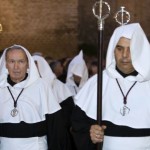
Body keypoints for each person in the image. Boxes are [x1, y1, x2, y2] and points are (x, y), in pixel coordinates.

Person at [71, 23, 150, 150]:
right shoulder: (99, 82)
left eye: (131, 49)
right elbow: (78, 124)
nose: (124, 55)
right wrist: (90, 131)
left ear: (140, 50)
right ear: (113, 50)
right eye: (120, 48)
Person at [0, 45, 71, 150]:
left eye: (21, 61)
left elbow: (55, 126)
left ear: (28, 64)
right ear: (5, 64)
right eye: (11, 61)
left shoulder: (41, 86)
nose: (16, 67)